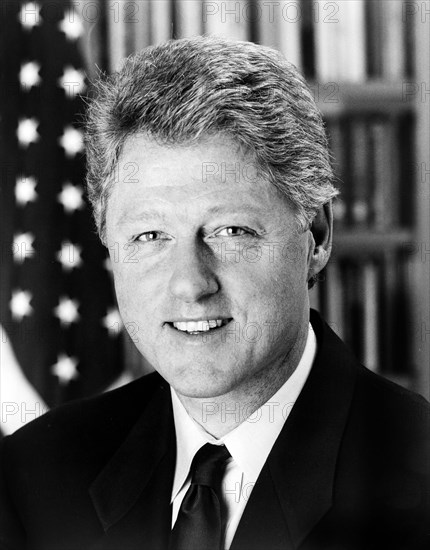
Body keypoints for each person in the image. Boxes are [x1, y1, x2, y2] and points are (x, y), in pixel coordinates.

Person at [0, 36, 428, 550]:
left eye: (230, 232)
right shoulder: (33, 479)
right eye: (149, 236)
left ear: (315, 237)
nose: (190, 284)